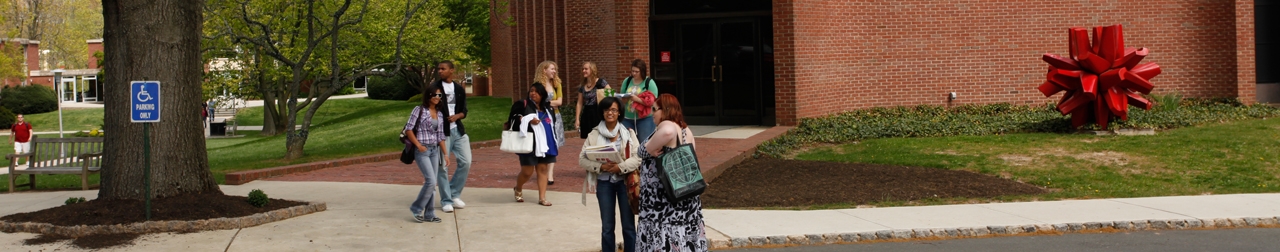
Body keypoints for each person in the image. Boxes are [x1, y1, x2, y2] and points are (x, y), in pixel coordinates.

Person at [637, 94, 706, 251]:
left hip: (663, 199)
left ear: (665, 110)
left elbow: (667, 132)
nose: (652, 113)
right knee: (684, 235)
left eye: (654, 109)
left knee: (664, 235)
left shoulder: (666, 125)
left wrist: (648, 149)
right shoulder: (685, 129)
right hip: (686, 192)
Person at [579, 97, 640, 252]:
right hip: (604, 183)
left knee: (628, 225)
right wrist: (601, 166)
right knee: (607, 226)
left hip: (625, 183)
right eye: (607, 110)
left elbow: (638, 157)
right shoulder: (594, 134)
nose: (610, 113)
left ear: (619, 113)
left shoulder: (628, 133)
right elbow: (582, 159)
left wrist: (621, 167)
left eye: (613, 110)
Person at [404, 85, 451, 223]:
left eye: (439, 96)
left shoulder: (439, 113)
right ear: (428, 96)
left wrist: (446, 154)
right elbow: (409, 129)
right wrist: (418, 145)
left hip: (434, 151)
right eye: (434, 95)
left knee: (433, 183)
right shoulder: (419, 110)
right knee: (430, 181)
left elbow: (440, 136)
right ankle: (416, 208)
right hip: (422, 150)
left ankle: (429, 214)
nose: (437, 98)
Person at [432, 61, 472, 213]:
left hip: (458, 131)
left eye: (443, 69)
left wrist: (457, 116)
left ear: (451, 71)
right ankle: (446, 200)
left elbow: (464, 111)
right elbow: (429, 108)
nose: (440, 71)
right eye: (439, 69)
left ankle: (454, 194)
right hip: (443, 133)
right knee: (442, 166)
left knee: (466, 162)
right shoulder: (435, 88)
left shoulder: (458, 89)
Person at [509, 83, 558, 206]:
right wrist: (528, 119)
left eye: (537, 92)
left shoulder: (548, 108)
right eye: (531, 91)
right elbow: (513, 118)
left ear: (542, 95)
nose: (533, 93)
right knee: (527, 172)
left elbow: (552, 124)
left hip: (545, 144)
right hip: (529, 143)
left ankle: (542, 198)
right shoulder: (522, 104)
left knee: (542, 169)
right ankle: (518, 188)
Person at [533, 60, 564, 185]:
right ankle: (542, 171)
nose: (554, 71)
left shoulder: (557, 84)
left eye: (555, 69)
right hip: (542, 118)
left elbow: (560, 102)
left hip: (555, 118)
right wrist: (551, 104)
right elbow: (535, 102)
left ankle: (550, 174)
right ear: (544, 70)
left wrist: (546, 103)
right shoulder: (537, 86)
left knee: (553, 144)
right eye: (552, 69)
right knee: (542, 143)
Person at [619, 59, 658, 145]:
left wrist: (637, 99)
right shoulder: (627, 81)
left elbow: (653, 102)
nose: (634, 74)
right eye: (632, 71)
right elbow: (622, 97)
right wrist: (624, 99)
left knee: (645, 143)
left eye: (637, 71)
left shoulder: (649, 82)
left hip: (645, 119)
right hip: (627, 118)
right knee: (627, 144)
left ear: (642, 71)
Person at [575, 61, 610, 139]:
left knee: (599, 137)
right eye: (583, 69)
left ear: (592, 70)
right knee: (588, 138)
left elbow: (611, 94)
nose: (584, 71)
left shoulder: (601, 82)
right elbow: (579, 103)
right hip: (587, 113)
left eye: (586, 69)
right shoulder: (582, 85)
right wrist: (577, 119)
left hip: (598, 112)